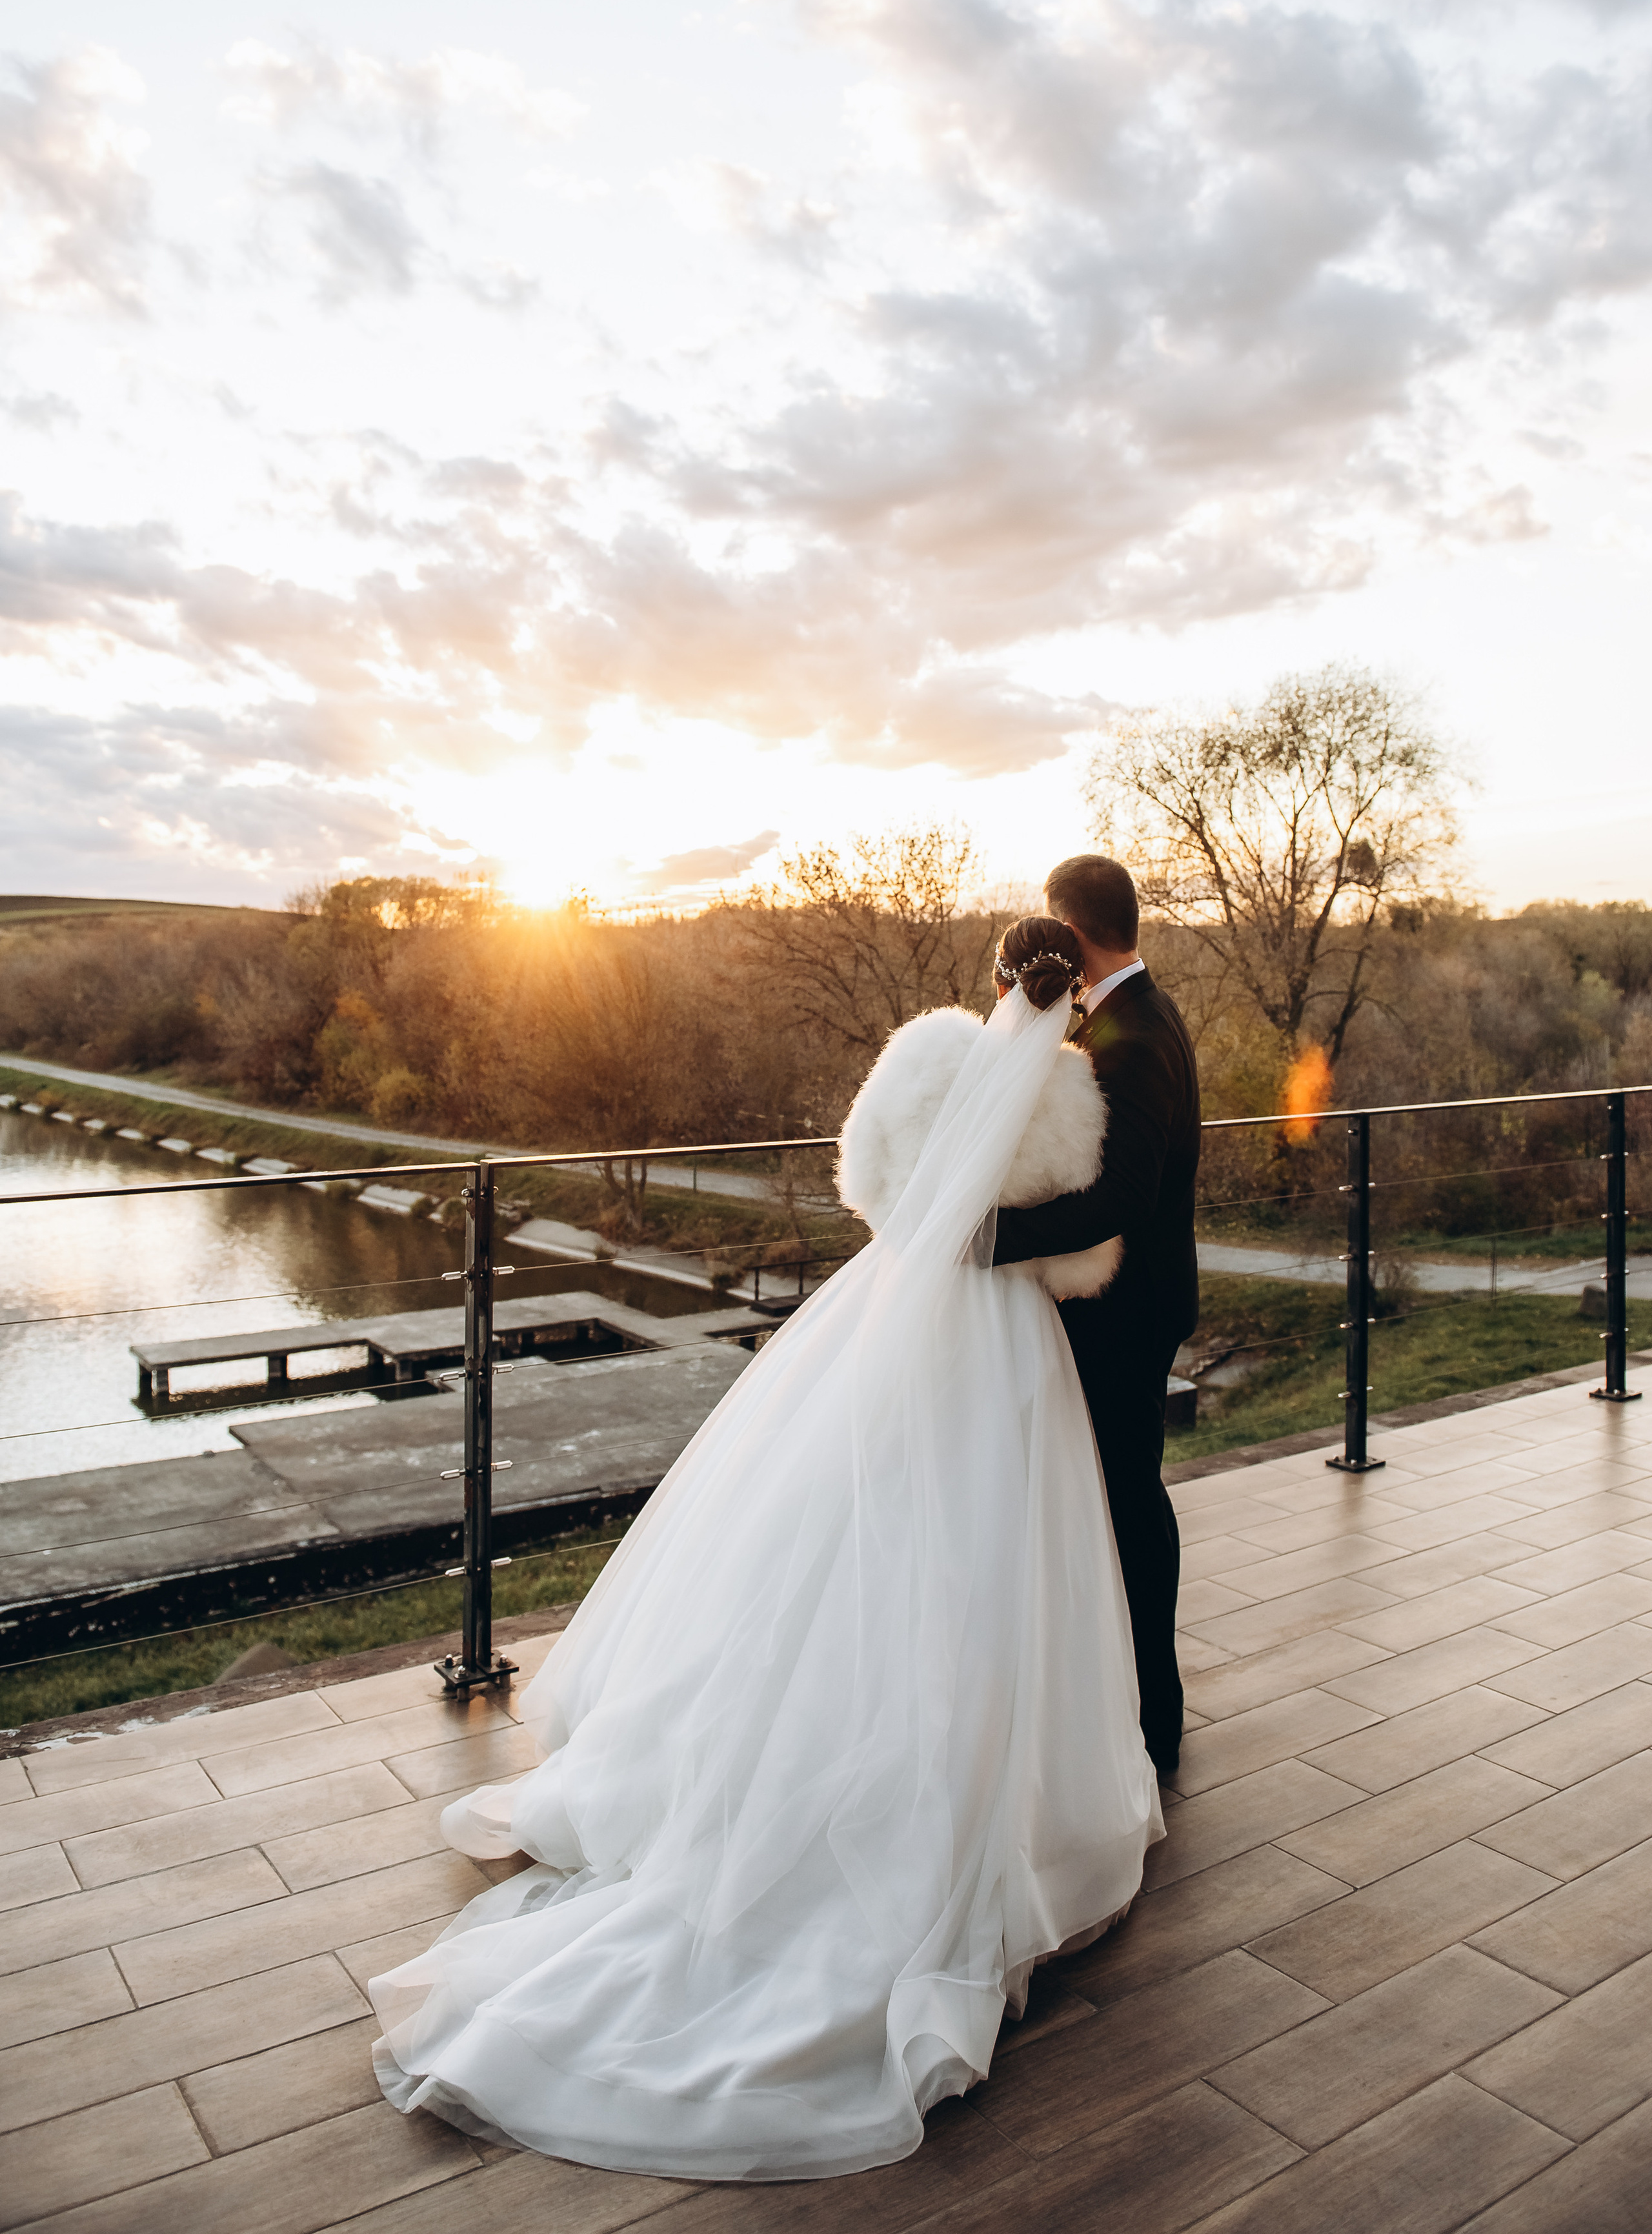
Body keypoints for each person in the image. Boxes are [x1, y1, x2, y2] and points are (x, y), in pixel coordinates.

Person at [368, 919, 1162, 2182]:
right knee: (993, 1569)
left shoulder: (920, 1055)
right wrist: (1000, 1246)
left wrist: (931, 1228)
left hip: (890, 1321)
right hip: (1004, 1349)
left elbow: (865, 1185)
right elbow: (1078, 1248)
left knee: (847, 1545)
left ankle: (787, 1766)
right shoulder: (1069, 1091)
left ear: (999, 975)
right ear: (1068, 995)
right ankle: (988, 1799)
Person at [991, 856, 1201, 1775]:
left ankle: (1156, 1719)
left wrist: (992, 1235)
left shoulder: (1132, 1037)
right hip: (1128, 1304)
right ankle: (1129, 1700)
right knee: (1117, 1500)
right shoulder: (1140, 1012)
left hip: (1129, 1313)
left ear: (1073, 934)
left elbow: (1125, 1193)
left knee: (1128, 1503)